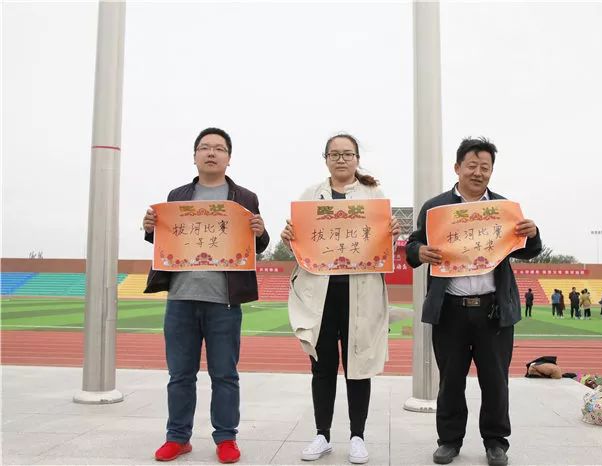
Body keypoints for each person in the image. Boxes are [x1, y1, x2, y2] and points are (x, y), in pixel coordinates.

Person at [405, 137, 542, 466]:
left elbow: (528, 250)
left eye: (485, 167)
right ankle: (449, 441)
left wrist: (533, 233)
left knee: (495, 381)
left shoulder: (504, 209)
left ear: (491, 171)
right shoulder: (436, 208)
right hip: (450, 310)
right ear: (457, 168)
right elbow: (412, 245)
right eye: (472, 166)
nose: (478, 173)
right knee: (450, 381)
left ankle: (496, 442)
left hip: (493, 311)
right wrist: (419, 251)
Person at [142, 127, 270, 463]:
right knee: (179, 375)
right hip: (180, 298)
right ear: (195, 155)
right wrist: (150, 228)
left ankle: (226, 438)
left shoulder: (244, 198)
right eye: (204, 147)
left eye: (219, 148)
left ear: (229, 157)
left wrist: (260, 232)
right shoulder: (177, 195)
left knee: (224, 375)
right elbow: (164, 239)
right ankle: (177, 437)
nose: (211, 153)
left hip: (224, 301)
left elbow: (257, 245)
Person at [282, 134, 400, 464]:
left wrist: (392, 235)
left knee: (358, 368)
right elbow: (302, 246)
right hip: (320, 295)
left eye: (348, 154)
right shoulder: (311, 196)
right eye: (334, 154)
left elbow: (383, 250)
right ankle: (322, 435)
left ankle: (357, 436)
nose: (341, 159)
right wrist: (290, 238)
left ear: (357, 159)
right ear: (325, 159)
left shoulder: (373, 196)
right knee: (322, 368)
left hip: (360, 292)